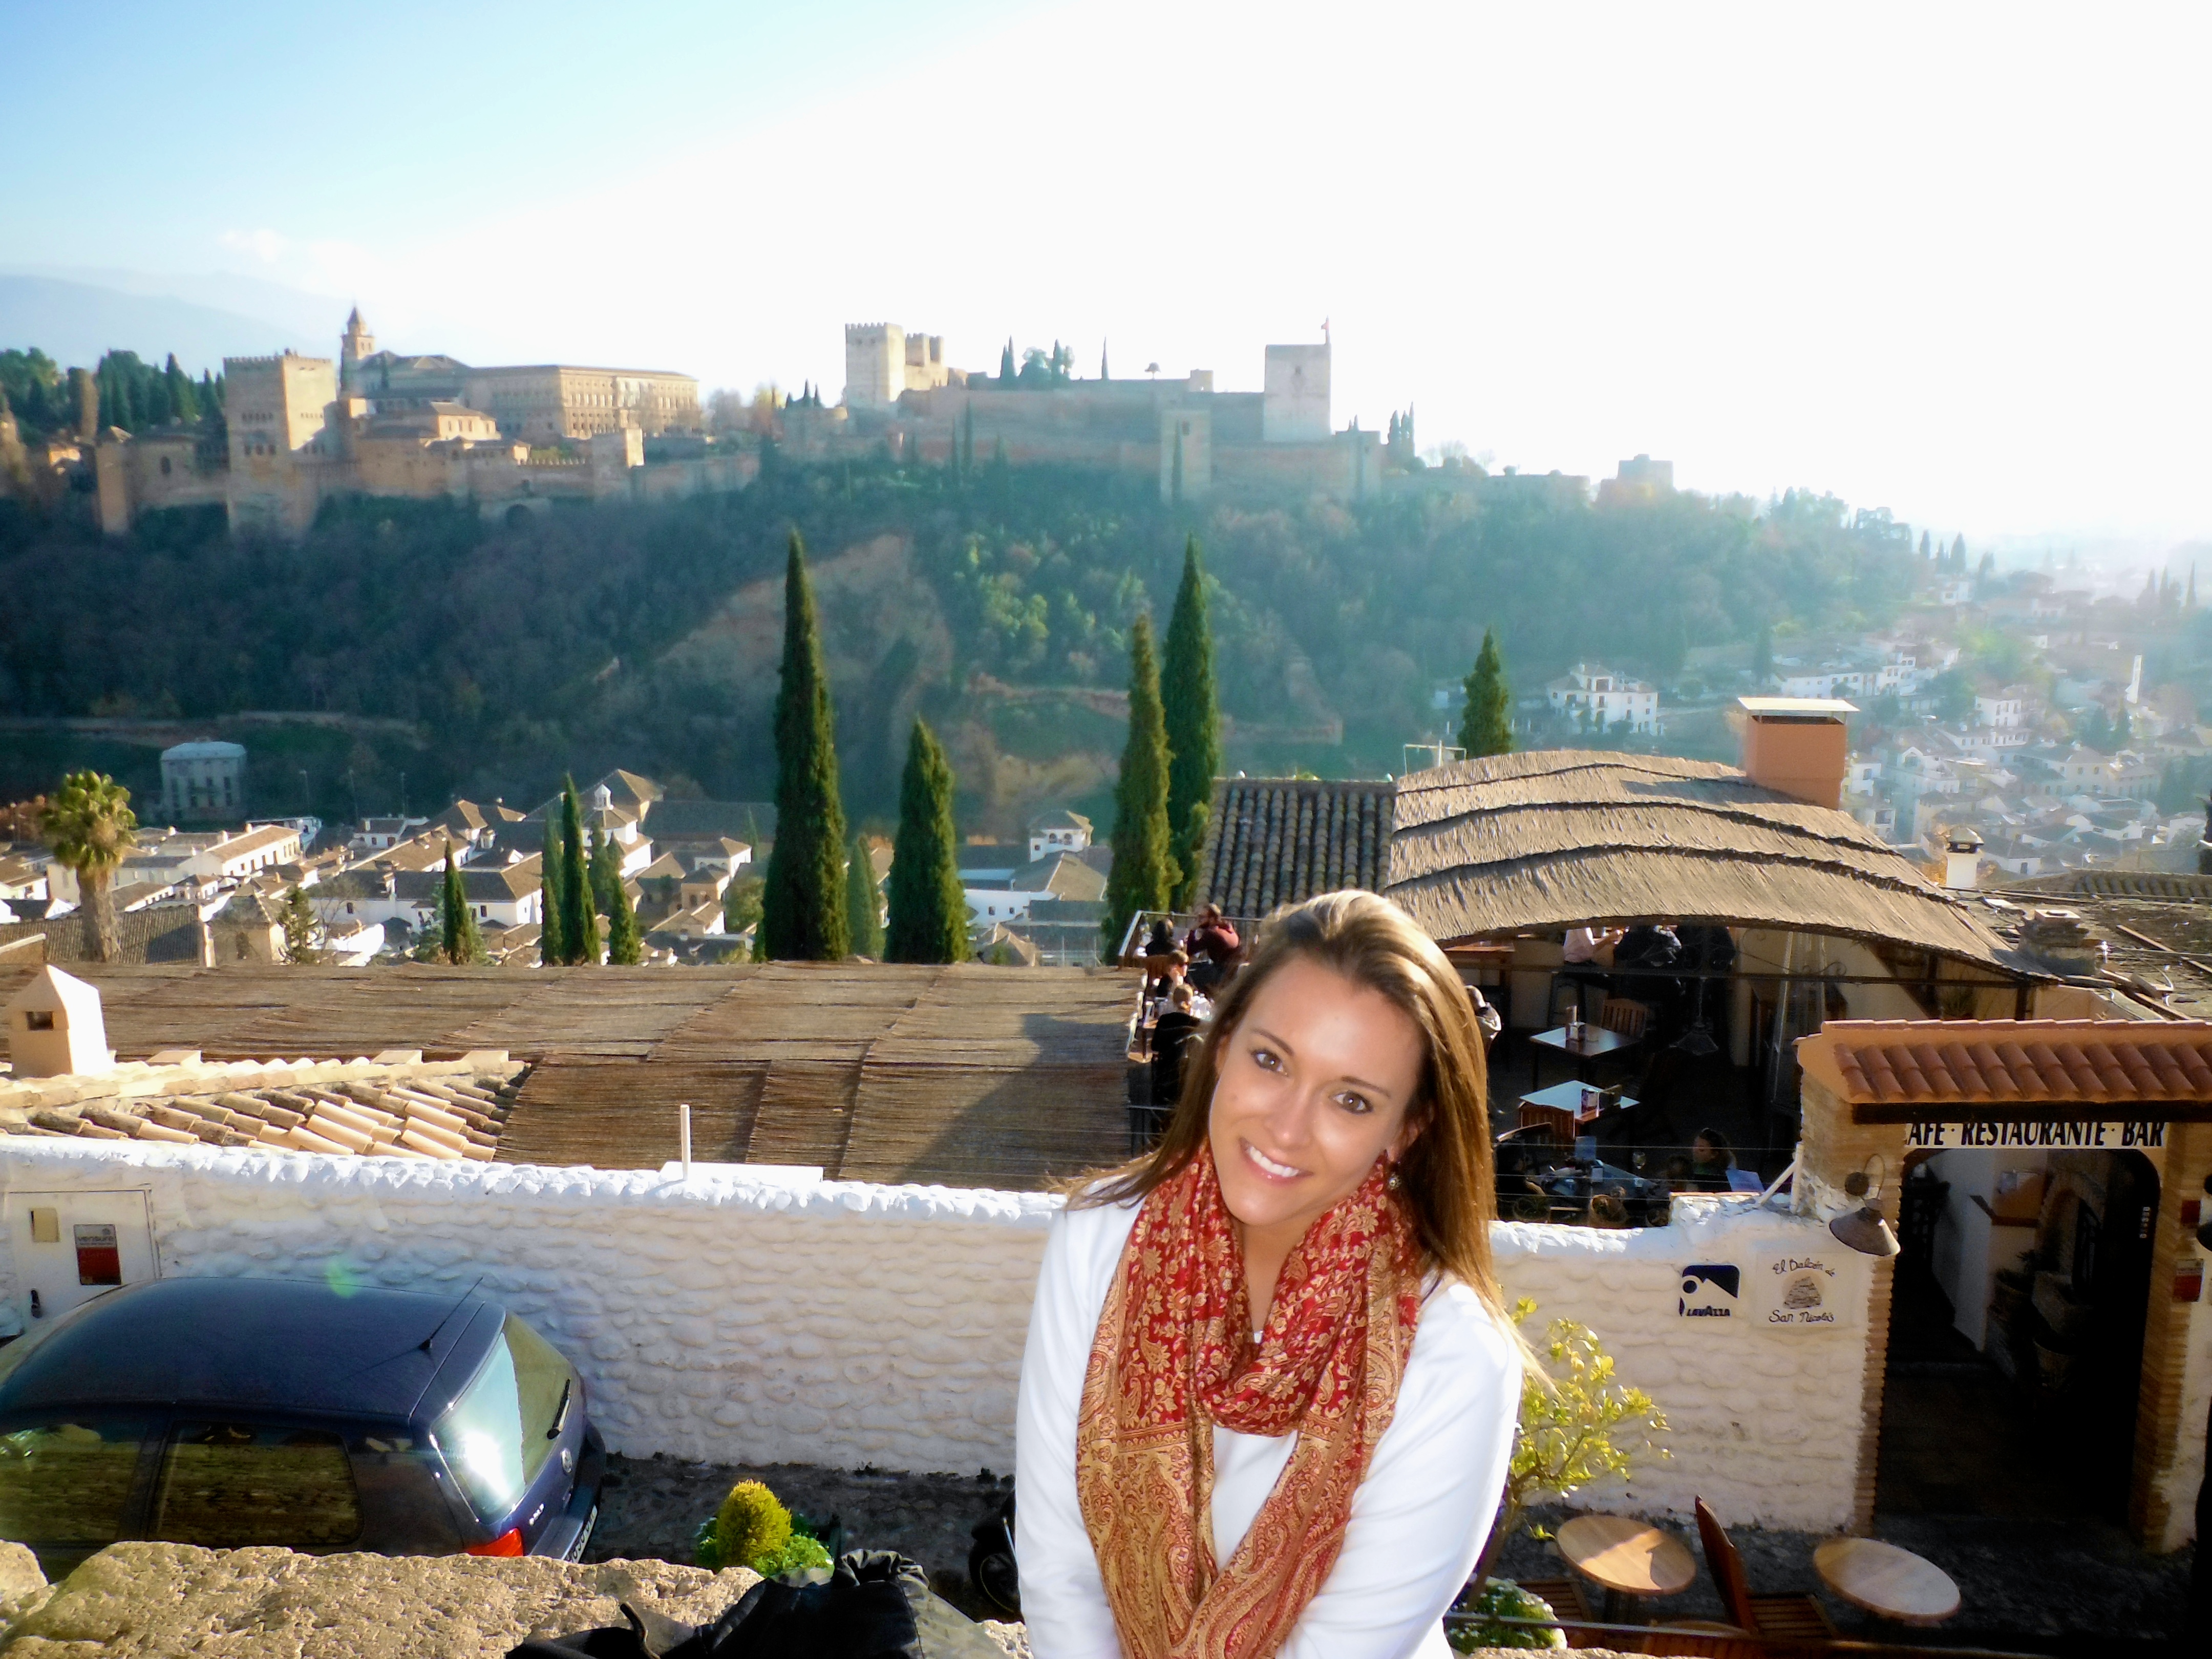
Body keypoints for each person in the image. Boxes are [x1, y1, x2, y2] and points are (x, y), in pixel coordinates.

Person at [1017, 891, 1522, 1659]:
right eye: (1271, 1060)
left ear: (1406, 1131)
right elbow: (1060, 1569)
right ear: (1223, 1046)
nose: (1287, 1128)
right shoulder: (1097, 1240)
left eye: (1351, 1100)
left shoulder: (1454, 1357)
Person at [1148, 983, 1203, 1117]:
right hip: (1189, 1077)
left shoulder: (1164, 1020)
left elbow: (1155, 1047)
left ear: (1173, 1001)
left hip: (1165, 1073)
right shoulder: (1197, 1023)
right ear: (1191, 1003)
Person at [1183, 904, 1242, 993]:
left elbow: (1191, 951)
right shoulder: (1228, 929)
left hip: (1221, 973)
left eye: (1201, 917)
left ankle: (1196, 996)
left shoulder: (1212, 933)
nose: (1198, 920)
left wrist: (1193, 930)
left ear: (1212, 919)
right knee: (1198, 966)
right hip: (1232, 970)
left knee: (1187, 974)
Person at [1688, 1128, 1735, 1192]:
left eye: (1701, 1150)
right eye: (1695, 1146)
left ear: (1714, 1154)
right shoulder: (1690, 1167)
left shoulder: (1718, 1177)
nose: (1694, 1151)